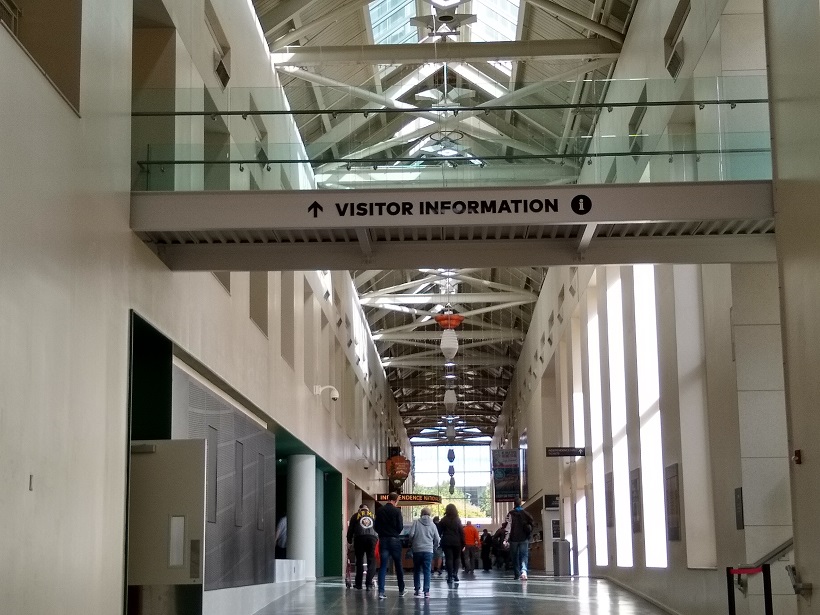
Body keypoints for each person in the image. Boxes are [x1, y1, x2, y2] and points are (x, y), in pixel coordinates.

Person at [375, 492, 405, 599]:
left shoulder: (380, 510)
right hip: (394, 540)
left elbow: (376, 526)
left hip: (383, 540)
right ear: (395, 500)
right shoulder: (397, 511)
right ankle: (401, 589)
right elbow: (400, 526)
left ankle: (381, 592)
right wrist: (395, 532)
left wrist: (382, 533)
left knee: (383, 566)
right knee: (398, 565)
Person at [408, 507, 439, 599]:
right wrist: (434, 547)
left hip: (417, 549)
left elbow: (411, 534)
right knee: (427, 570)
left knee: (417, 570)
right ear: (429, 514)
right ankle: (426, 591)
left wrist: (413, 542)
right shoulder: (433, 525)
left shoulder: (416, 522)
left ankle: (417, 589)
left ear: (421, 513)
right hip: (428, 550)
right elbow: (437, 539)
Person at [346, 503, 378, 590]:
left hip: (359, 538)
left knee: (359, 561)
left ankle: (358, 584)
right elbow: (378, 528)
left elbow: (351, 529)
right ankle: (369, 584)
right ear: (367, 509)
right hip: (372, 539)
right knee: (371, 561)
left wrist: (349, 540)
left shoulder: (355, 516)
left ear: (359, 509)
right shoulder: (373, 516)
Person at [504, 497, 534, 581]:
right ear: (520, 503)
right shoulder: (526, 514)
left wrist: (506, 539)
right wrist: (529, 534)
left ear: (514, 503)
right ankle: (524, 572)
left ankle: (517, 574)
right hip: (524, 538)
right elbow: (531, 524)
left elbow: (508, 527)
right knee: (524, 555)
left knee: (514, 557)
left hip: (514, 539)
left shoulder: (511, 514)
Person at [437, 503, 465, 587]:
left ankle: (449, 576)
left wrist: (439, 541)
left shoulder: (443, 520)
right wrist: (463, 542)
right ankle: (455, 574)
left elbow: (439, 531)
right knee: (457, 558)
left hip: (446, 541)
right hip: (457, 541)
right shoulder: (457, 520)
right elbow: (461, 532)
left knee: (449, 558)